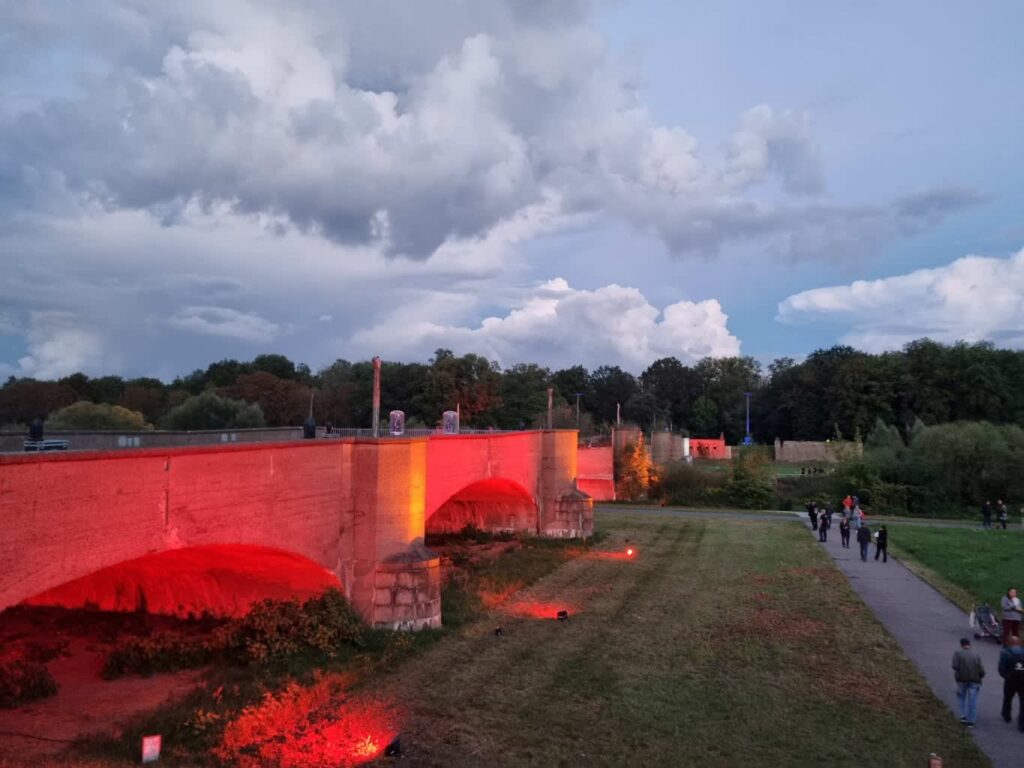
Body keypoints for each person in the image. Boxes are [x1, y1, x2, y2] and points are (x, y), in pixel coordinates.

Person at [952, 637, 985, 727]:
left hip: (961, 680)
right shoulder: (976, 655)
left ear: (961, 645)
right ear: (969, 645)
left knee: (961, 697)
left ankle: (963, 716)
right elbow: (981, 670)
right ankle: (971, 721)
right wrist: (980, 677)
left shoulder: (957, 653)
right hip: (974, 680)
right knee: (972, 700)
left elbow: (954, 666)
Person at [999, 635, 1024, 731]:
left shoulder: (1005, 652)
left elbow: (1001, 668)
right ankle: (1022, 724)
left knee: (1008, 698)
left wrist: (1006, 676)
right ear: (1019, 643)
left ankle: (1006, 715)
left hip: (1010, 680)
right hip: (1023, 681)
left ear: (1010, 643)